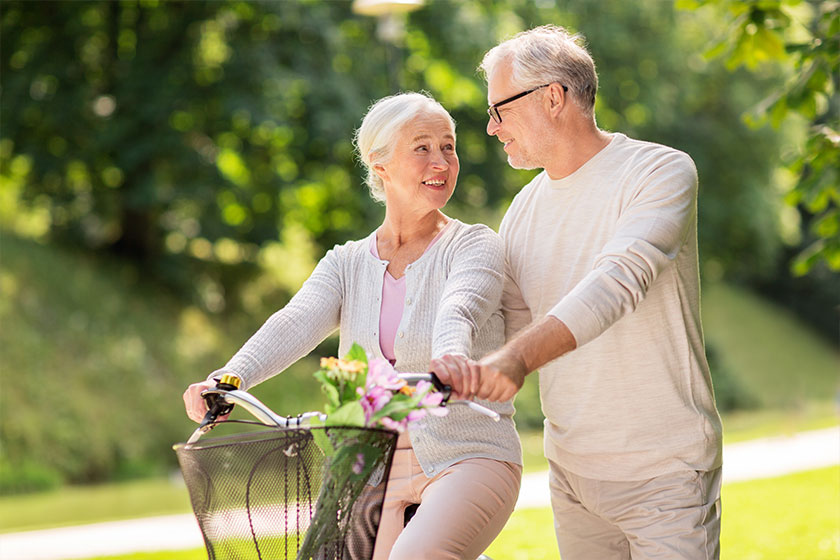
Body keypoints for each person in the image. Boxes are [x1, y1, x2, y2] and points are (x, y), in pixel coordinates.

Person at [183, 92, 522, 560]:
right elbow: (296, 320)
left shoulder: (473, 246)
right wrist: (228, 379)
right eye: (422, 147)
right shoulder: (346, 263)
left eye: (449, 146)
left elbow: (460, 308)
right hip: (369, 462)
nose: (441, 160)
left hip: (467, 452)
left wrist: (451, 357)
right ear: (379, 165)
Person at [433, 25, 723, 560]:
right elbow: (507, 330)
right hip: (573, 478)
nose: (492, 129)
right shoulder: (522, 210)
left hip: (665, 471)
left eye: (500, 110)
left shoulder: (658, 171)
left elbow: (618, 281)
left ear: (552, 97)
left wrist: (514, 360)